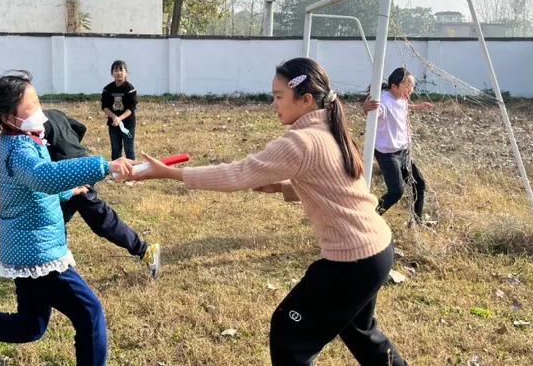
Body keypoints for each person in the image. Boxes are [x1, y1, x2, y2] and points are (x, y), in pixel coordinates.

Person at [130, 58, 406, 365]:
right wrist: (283, 187)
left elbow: (237, 173)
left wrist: (170, 174)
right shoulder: (330, 126)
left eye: (278, 97)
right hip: (377, 248)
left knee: (289, 334)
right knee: (361, 332)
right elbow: (332, 185)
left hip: (353, 261)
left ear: (306, 100)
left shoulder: (301, 141)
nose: (273, 104)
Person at [0, 71, 133, 365]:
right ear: (10, 117)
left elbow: (34, 188)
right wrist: (104, 166)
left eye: (38, 103)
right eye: (31, 107)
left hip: (26, 250)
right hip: (38, 253)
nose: (40, 112)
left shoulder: (24, 140)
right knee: (90, 313)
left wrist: (69, 190)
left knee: (30, 327)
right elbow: (43, 177)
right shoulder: (20, 150)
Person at [42, 107, 161, 278]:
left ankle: (145, 250)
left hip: (71, 174)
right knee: (58, 217)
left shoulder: (35, 126)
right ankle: (55, 263)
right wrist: (74, 149)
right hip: (81, 163)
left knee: (100, 218)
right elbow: (80, 127)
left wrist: (65, 156)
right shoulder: (54, 112)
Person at [363, 67, 434, 224]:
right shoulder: (384, 101)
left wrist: (417, 106)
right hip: (387, 154)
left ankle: (416, 222)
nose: (410, 89)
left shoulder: (401, 98)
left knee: (419, 184)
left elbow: (402, 107)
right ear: (394, 86)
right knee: (396, 191)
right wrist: (366, 108)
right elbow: (374, 111)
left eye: (412, 86)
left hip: (403, 151)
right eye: (407, 85)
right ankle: (368, 219)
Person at [101, 60, 137, 160]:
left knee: (129, 149)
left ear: (126, 72)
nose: (119, 72)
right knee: (116, 149)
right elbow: (105, 106)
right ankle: (117, 173)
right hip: (113, 124)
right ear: (112, 73)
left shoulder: (130, 89)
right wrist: (114, 117)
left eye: (121, 70)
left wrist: (120, 118)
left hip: (128, 124)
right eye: (116, 70)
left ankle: (132, 172)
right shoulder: (107, 89)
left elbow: (131, 108)